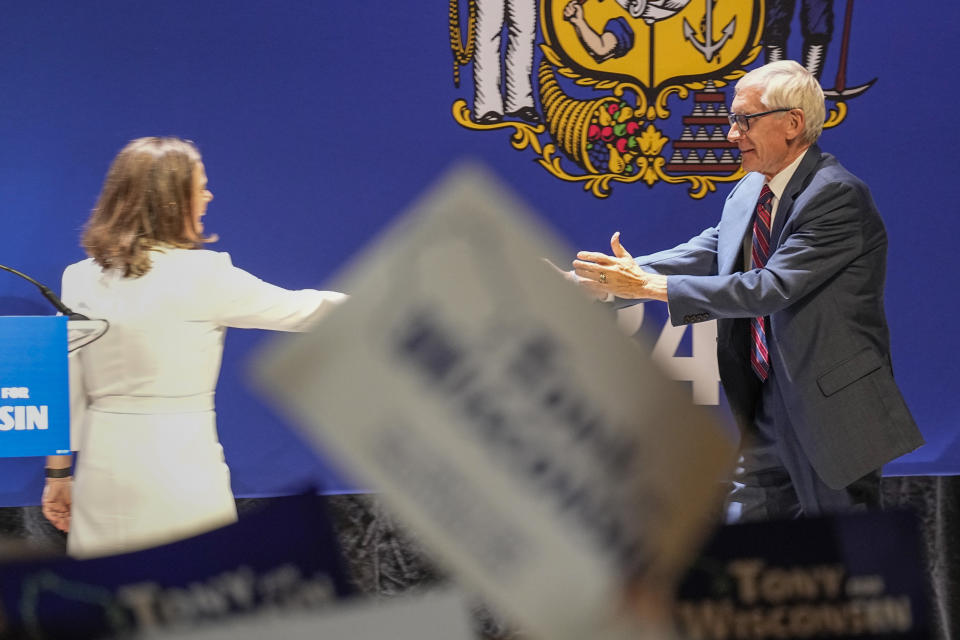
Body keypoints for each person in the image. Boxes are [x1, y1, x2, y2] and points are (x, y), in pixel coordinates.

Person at [572, 61, 923, 522]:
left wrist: (650, 286)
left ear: (792, 123)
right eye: (732, 119)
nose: (731, 133)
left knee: (847, 561)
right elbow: (707, 251)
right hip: (766, 403)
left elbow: (770, 288)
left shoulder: (836, 195)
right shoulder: (748, 191)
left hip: (830, 410)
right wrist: (599, 282)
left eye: (744, 120)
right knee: (749, 548)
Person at [41, 137, 346, 557]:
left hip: (102, 467)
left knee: (109, 600)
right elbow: (304, 310)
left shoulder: (78, 277)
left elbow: (63, 383)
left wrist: (57, 475)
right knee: (196, 592)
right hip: (179, 464)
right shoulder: (205, 274)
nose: (208, 196)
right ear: (171, 200)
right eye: (200, 186)